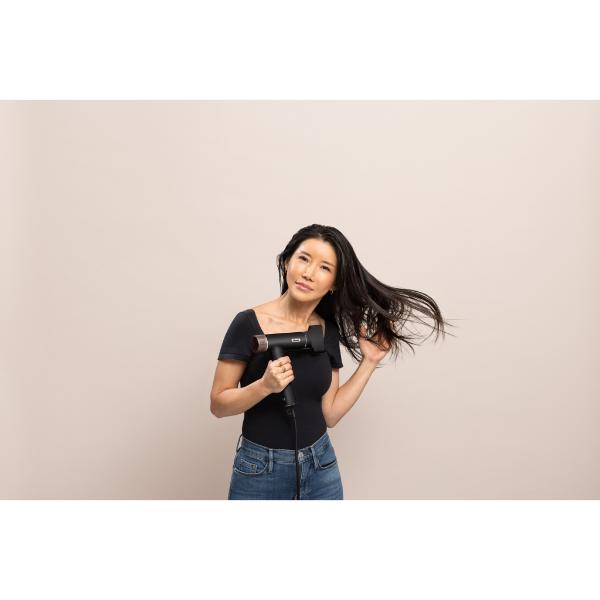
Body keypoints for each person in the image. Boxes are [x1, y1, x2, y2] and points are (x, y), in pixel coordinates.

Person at [210, 224, 452, 500]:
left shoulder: (326, 330)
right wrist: (264, 386)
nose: (308, 273)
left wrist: (369, 362)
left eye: (324, 267)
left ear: (334, 283)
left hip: (320, 464)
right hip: (261, 468)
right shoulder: (247, 323)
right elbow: (218, 405)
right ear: (287, 261)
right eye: (303, 259)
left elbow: (331, 414)